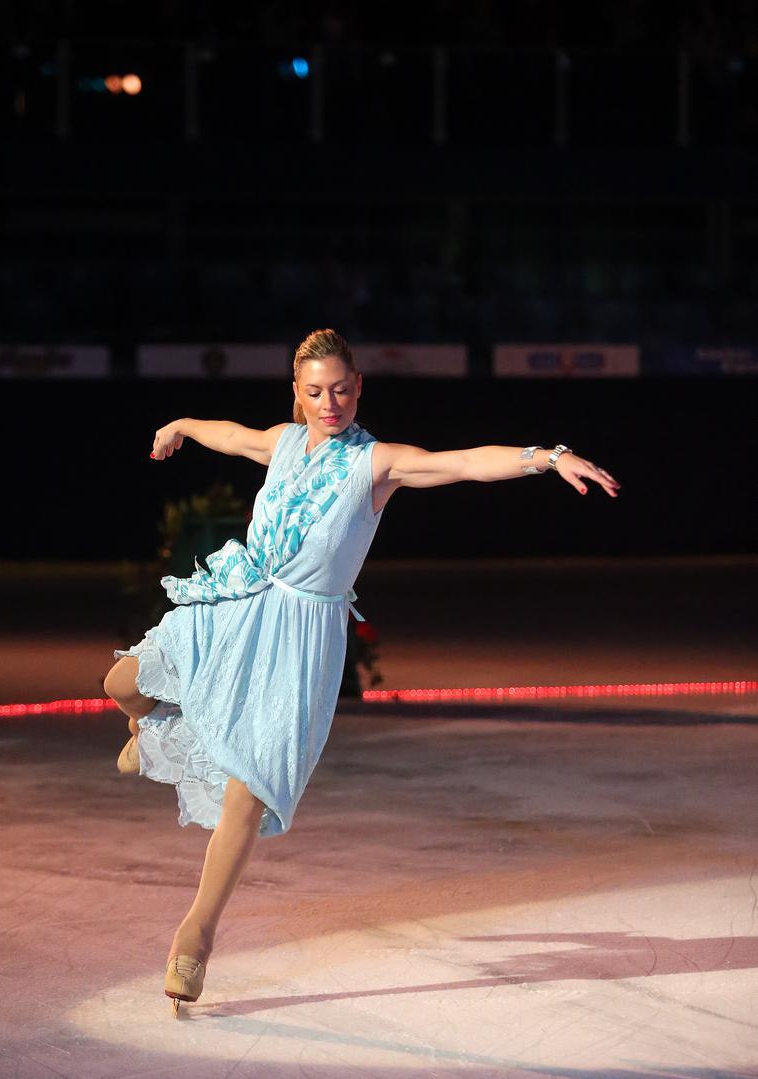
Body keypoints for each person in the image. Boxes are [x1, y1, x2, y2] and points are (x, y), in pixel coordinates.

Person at [103, 327, 620, 1015]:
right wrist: (180, 426)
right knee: (121, 684)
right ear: (296, 392)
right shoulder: (283, 443)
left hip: (299, 641)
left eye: (341, 390)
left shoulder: (376, 464)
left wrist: (545, 457)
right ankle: (147, 732)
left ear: (358, 389)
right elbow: (228, 435)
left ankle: (194, 936)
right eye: (316, 391)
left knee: (248, 791)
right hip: (237, 603)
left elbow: (463, 464)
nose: (330, 404)